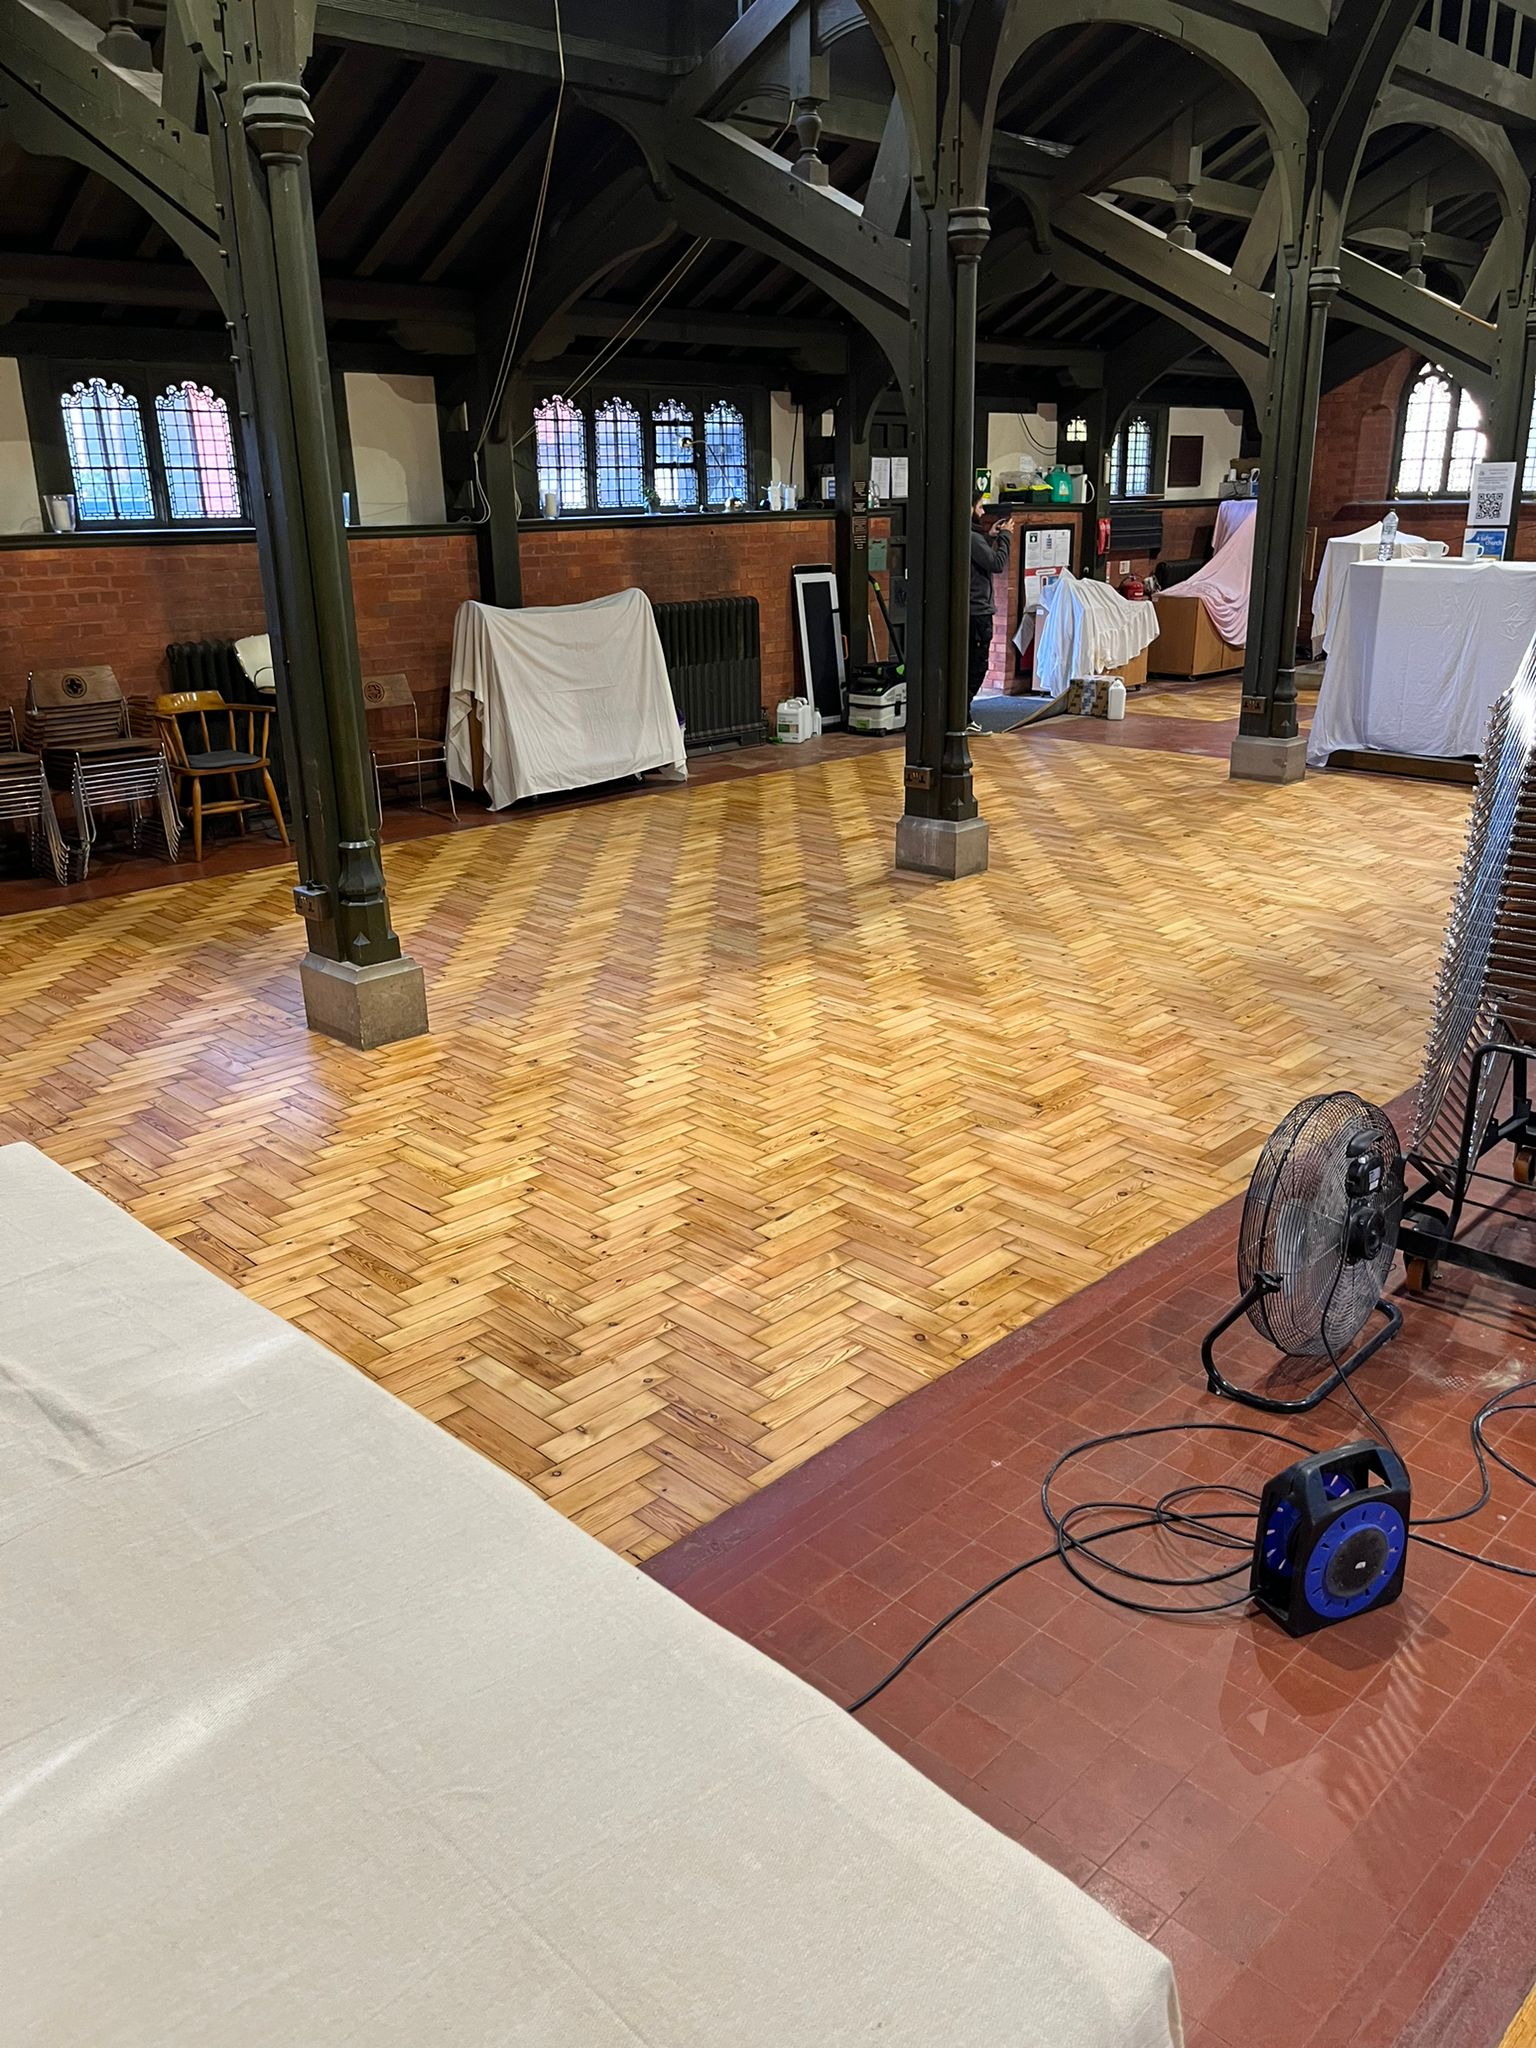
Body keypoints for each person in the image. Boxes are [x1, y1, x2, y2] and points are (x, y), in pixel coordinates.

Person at [969, 499, 1015, 730]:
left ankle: (962, 714)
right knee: (977, 666)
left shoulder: (971, 536)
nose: (983, 511)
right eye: (979, 507)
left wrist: (991, 536)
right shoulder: (970, 536)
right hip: (977, 611)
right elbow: (996, 563)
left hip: (972, 610)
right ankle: (963, 715)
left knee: (971, 664)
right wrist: (1006, 537)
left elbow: (980, 556)